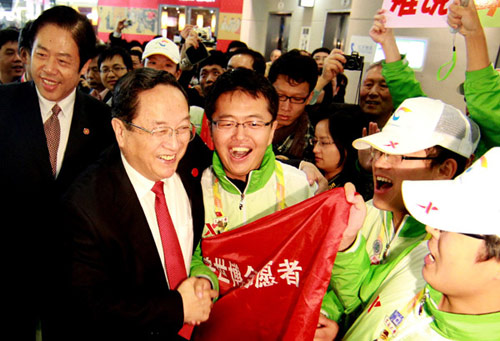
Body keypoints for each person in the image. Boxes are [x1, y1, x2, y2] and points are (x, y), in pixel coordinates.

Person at [65, 68, 217, 340]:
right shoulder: (85, 205)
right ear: (120, 131)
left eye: (183, 128)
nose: (174, 144)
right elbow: (88, 307)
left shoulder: (191, 157)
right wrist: (177, 308)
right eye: (158, 130)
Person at [0, 6, 115, 340]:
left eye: (63, 61)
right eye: (41, 55)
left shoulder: (101, 121)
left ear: (85, 65)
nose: (49, 70)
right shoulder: (4, 106)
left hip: (73, 283)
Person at [327, 97, 480, 335]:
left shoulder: (444, 250)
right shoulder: (366, 212)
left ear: (445, 169)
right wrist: (326, 317)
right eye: (380, 152)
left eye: (398, 155)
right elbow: (340, 293)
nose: (380, 164)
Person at [342, 147, 500, 340]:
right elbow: (362, 295)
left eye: (448, 224)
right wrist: (347, 241)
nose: (431, 229)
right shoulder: (420, 257)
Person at [370, 2, 499, 159]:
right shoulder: (459, 135)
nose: (470, 103)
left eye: (495, 97)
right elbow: (415, 107)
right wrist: (388, 43)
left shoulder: (490, 148)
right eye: (468, 95)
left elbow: (485, 102)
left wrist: (474, 35)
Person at [268, 49, 318, 162]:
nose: (286, 107)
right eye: (280, 96)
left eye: (297, 99)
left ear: (309, 97)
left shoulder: (309, 140)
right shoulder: (246, 120)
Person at [312, 106, 372, 200]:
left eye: (324, 143)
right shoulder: (309, 174)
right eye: (315, 141)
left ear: (346, 144)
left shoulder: (353, 190)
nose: (315, 149)